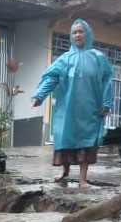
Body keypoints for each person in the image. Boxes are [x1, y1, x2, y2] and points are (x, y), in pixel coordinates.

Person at [31, 19, 114, 189]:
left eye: (81, 31)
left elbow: (107, 81)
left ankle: (82, 180)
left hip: (90, 108)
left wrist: (106, 102)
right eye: (74, 32)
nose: (77, 35)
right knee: (65, 137)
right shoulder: (65, 59)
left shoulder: (99, 58)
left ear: (88, 34)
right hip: (68, 108)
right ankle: (65, 171)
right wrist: (39, 96)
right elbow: (51, 78)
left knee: (87, 142)